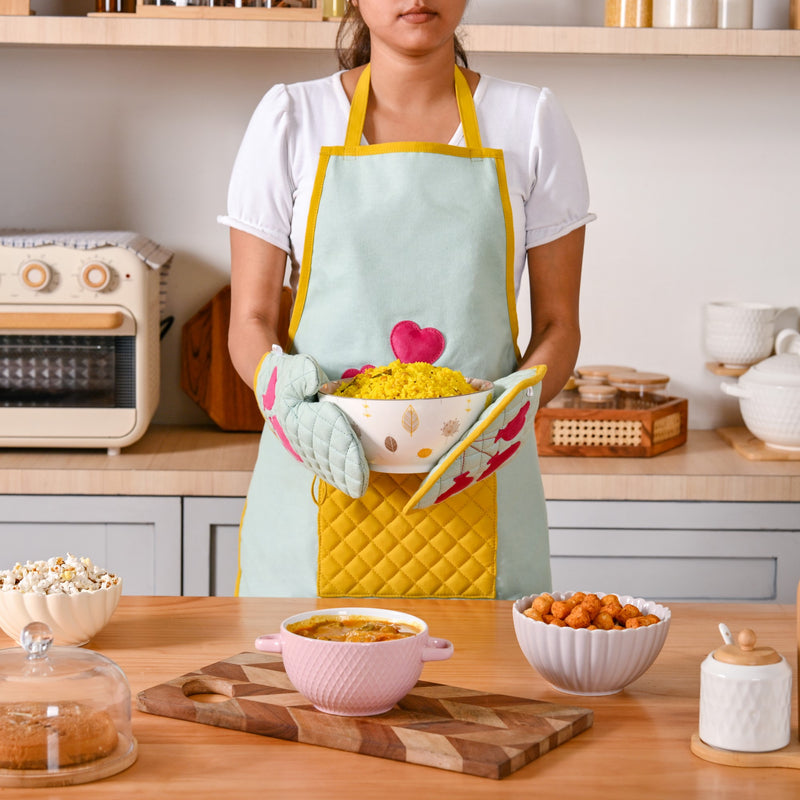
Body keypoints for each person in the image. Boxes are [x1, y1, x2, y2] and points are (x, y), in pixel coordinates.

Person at [219, 0, 594, 599]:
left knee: (484, 689)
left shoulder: (530, 119)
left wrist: (496, 422)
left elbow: (559, 325)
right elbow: (251, 320)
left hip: (478, 481)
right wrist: (292, 409)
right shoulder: (291, 117)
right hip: (322, 476)